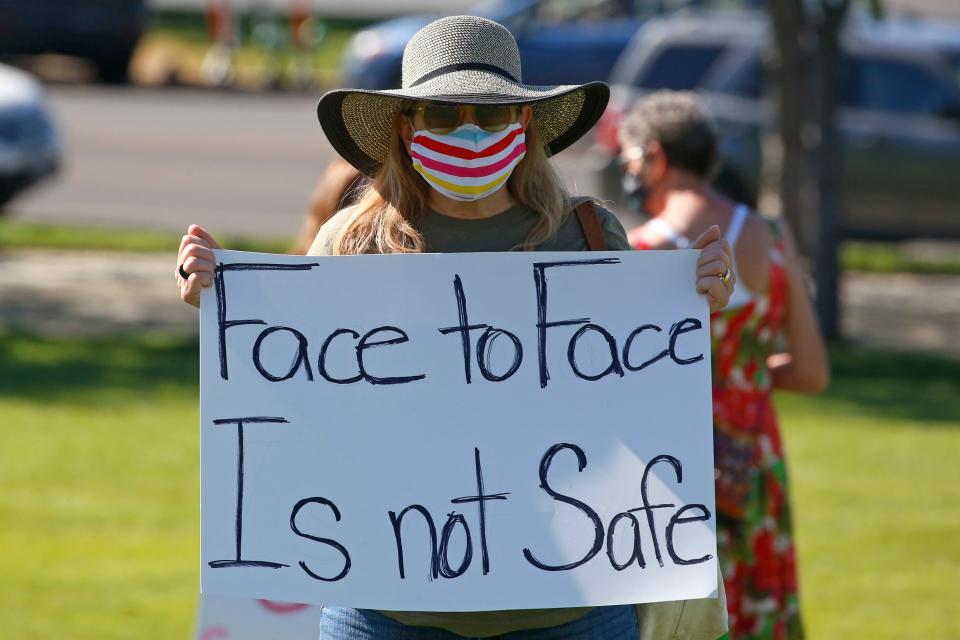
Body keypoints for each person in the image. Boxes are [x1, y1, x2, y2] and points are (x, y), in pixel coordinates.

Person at [176, 17, 735, 640]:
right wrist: (229, 309)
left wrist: (690, 303)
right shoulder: (353, 244)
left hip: (568, 607)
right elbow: (299, 393)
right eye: (443, 114)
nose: (470, 130)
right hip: (387, 607)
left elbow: (637, 398)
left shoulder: (588, 236)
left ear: (523, 124)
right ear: (407, 126)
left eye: (492, 114)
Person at [619, 91, 829, 640]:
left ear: (656, 158)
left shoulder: (638, 255)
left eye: (630, 160)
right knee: (757, 608)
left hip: (670, 466)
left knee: (682, 616)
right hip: (755, 460)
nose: (629, 173)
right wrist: (747, 378)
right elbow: (810, 372)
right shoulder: (773, 239)